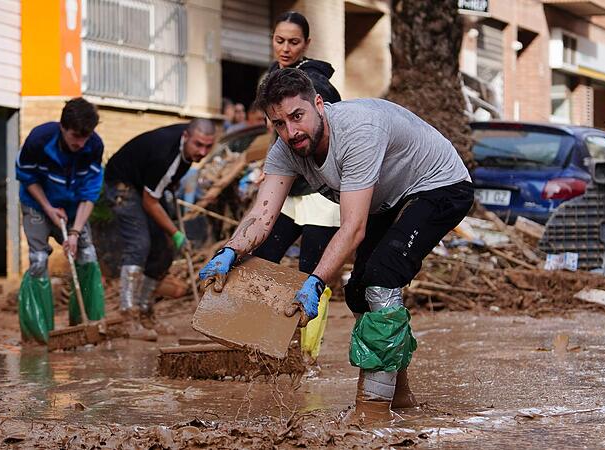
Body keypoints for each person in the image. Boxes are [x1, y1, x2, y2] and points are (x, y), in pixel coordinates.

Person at [199, 69, 473, 422]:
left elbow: (353, 228)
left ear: (318, 104)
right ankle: (399, 395)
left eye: (297, 116)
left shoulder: (358, 131)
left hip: (440, 186)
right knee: (358, 291)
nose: (291, 132)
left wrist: (314, 281)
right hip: (387, 198)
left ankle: (372, 411)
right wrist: (230, 251)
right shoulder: (286, 149)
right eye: (279, 123)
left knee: (382, 277)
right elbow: (262, 217)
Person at [104, 119, 217, 336]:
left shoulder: (186, 148)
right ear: (186, 136)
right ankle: (129, 316)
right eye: (198, 145)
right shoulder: (165, 155)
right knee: (139, 244)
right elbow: (149, 202)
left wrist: (171, 183)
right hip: (123, 183)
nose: (202, 151)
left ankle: (146, 312)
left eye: (208, 146)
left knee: (164, 251)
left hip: (146, 184)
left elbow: (160, 186)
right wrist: (175, 233)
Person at [253, 11, 341, 280]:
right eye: (279, 41)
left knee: (311, 276)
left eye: (293, 42)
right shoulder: (272, 76)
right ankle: (255, 322)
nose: (285, 49)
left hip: (320, 189)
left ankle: (309, 324)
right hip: (289, 187)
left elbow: (326, 135)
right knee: (261, 259)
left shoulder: (314, 84)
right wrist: (269, 166)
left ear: (306, 43)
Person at [15, 97, 105, 344]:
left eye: (86, 137)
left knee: (87, 254)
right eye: (76, 136)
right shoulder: (39, 139)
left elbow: (90, 193)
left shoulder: (94, 146)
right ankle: (39, 336)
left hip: (75, 206)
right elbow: (26, 177)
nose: (81, 142)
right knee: (38, 259)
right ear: (63, 127)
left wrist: (75, 233)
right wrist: (49, 208)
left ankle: (89, 324)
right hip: (38, 203)